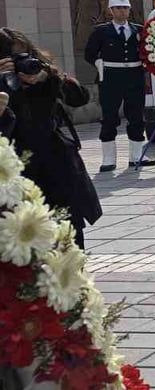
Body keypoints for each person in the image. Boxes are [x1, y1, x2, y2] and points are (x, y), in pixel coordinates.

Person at [0, 28, 100, 248]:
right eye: (13, 59)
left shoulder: (45, 78)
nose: (21, 64)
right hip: (15, 170)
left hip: (57, 165)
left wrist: (52, 75)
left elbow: (80, 98)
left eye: (24, 56)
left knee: (69, 233)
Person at [82, 0, 153, 171]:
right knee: (109, 117)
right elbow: (89, 53)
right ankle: (108, 159)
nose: (122, 11)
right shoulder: (101, 31)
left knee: (136, 116)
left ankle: (136, 156)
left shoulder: (139, 30)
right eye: (118, 8)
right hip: (111, 77)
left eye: (125, 8)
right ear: (111, 11)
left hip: (134, 75)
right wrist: (99, 64)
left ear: (129, 10)